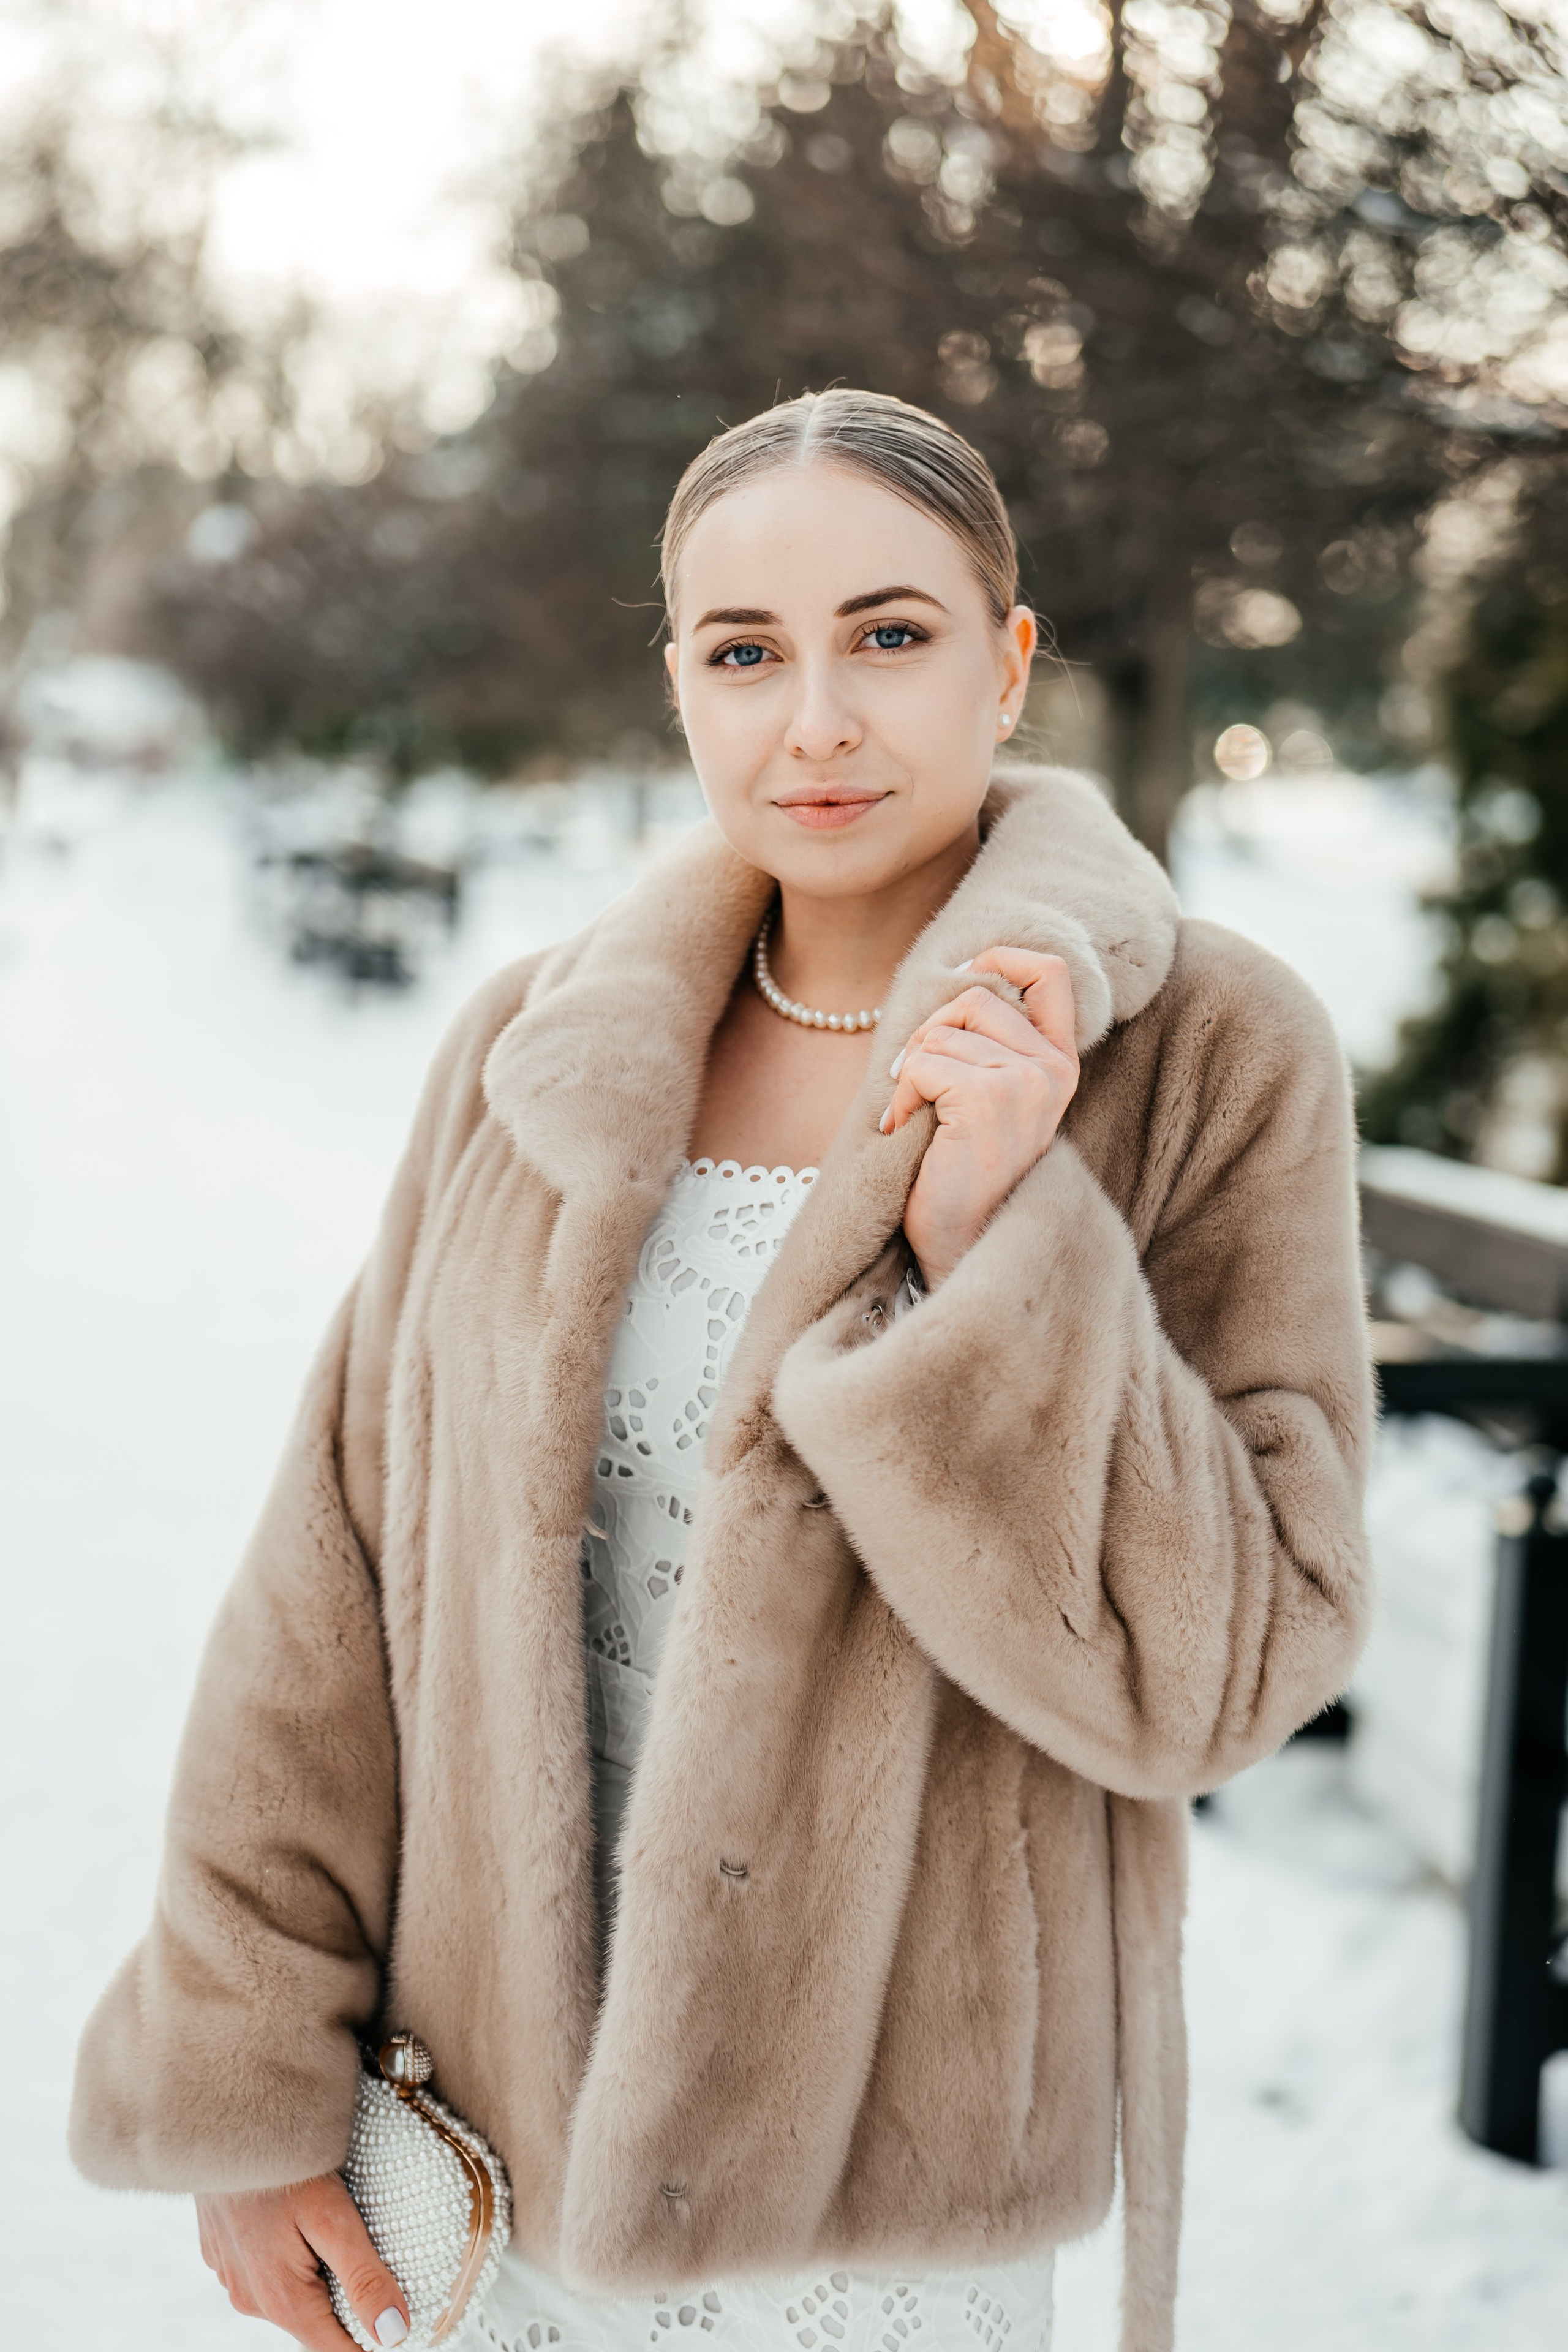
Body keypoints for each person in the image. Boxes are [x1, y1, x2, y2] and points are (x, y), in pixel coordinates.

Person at [70, 390, 1373, 2352]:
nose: (817, 719)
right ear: (678, 681)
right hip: (490, 2160)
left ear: (1008, 665)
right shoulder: (547, 1051)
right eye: (746, 653)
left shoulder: (1202, 1054)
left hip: (875, 2206)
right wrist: (244, 2085)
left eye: (891, 635)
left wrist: (1000, 1253)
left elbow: (1226, 1672)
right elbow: (332, 1582)